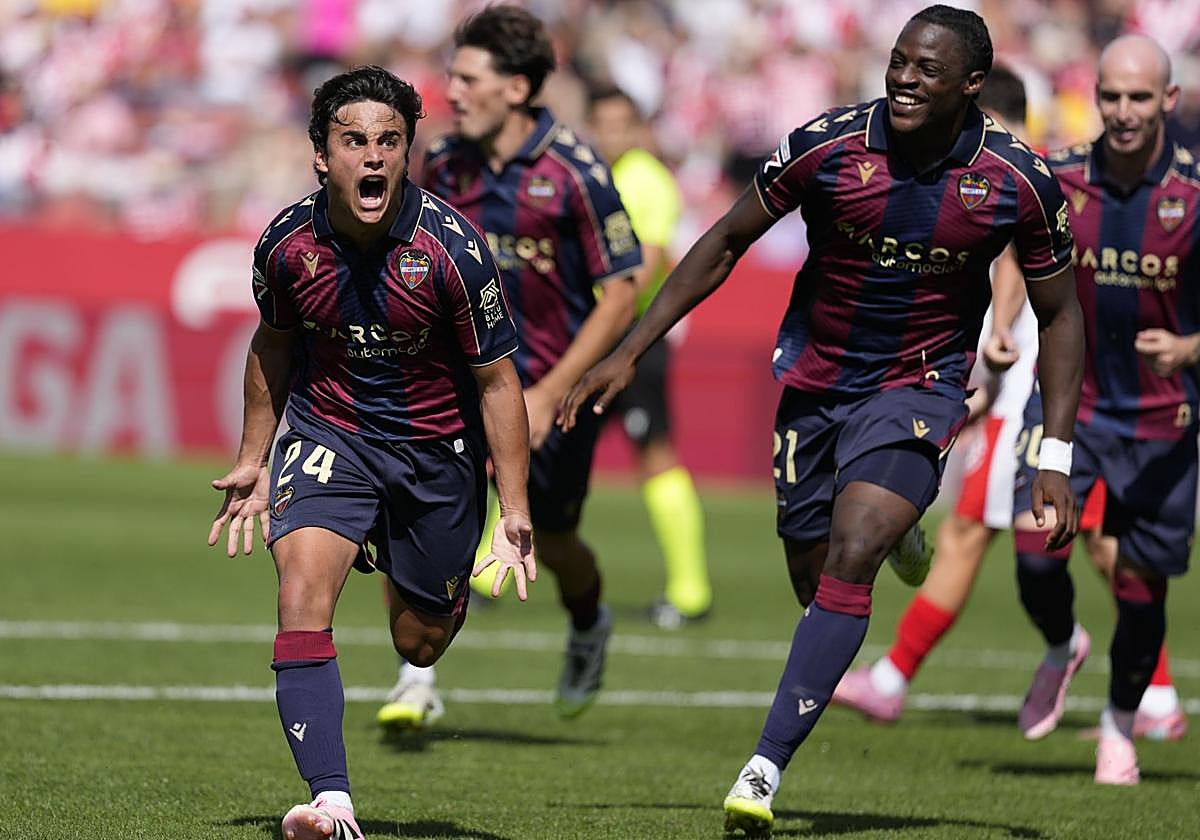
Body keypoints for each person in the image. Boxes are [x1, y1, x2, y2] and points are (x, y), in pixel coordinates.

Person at [561, 6, 1083, 836]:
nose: (905, 78)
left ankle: (762, 767)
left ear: (972, 85)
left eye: (928, 69)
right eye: (899, 60)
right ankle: (899, 531)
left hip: (921, 384)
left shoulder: (1017, 179)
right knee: (816, 577)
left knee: (853, 547)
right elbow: (728, 239)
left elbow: (1060, 316)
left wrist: (1053, 450)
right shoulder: (828, 144)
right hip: (816, 383)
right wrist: (631, 349)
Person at [206, 66, 536, 840]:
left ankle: (409, 564)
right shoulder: (286, 246)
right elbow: (275, 344)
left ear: (408, 153)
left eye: (389, 141)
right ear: (322, 155)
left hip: (436, 454)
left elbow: (496, 382)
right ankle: (331, 802)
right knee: (301, 590)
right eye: (354, 141)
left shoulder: (452, 250)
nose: (374, 157)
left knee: (416, 639)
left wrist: (513, 509)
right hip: (332, 435)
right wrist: (256, 456)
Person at [831, 65, 1185, 741]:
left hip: (1042, 384)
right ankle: (1156, 695)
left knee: (1008, 531)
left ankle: (898, 677)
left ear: (980, 114)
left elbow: (1021, 267)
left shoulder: (1017, 176)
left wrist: (996, 334)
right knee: (1080, 542)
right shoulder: (1039, 174)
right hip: (1043, 382)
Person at [377, 4, 641, 730]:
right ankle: (415, 676)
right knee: (429, 517)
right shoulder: (442, 162)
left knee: (550, 540)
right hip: (456, 386)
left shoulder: (576, 171)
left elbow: (622, 293)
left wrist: (553, 390)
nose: (451, 91)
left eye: (467, 78)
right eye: (451, 76)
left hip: (550, 392)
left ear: (518, 87)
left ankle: (589, 620)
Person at [1004, 34, 1199, 785]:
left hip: (1162, 421)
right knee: (1031, 552)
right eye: (1111, 95)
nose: (1121, 111)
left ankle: (1120, 723)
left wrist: (1188, 349)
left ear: (1168, 102)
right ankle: (1061, 646)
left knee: (1141, 591)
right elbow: (1019, 255)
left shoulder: (1195, 196)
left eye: (1139, 97)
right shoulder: (1060, 180)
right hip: (1069, 405)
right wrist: (997, 326)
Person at [585, 84, 712, 629]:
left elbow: (644, 269)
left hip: (630, 340)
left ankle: (690, 590)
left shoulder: (648, 182)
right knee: (530, 443)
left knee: (655, 455)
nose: (611, 133)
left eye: (621, 123)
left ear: (636, 128)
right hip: (590, 336)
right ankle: (485, 570)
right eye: (602, 123)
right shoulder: (590, 175)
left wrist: (603, 330)